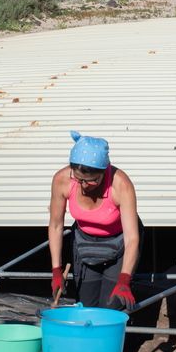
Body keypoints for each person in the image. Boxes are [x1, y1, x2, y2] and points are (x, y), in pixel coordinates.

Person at [48, 131, 139, 310]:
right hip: (85, 243)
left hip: (119, 242)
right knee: (85, 306)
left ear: (104, 172)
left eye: (90, 181)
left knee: (112, 306)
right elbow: (56, 225)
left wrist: (124, 279)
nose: (83, 186)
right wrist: (56, 270)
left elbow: (132, 238)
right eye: (78, 179)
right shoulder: (62, 180)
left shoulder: (121, 185)